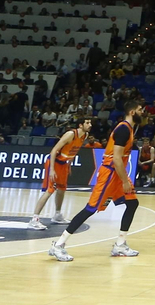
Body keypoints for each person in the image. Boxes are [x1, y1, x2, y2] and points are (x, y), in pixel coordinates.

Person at [48, 100, 144, 261]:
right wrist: (125, 181)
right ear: (132, 112)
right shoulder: (123, 130)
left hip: (118, 174)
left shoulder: (129, 128)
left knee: (132, 203)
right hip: (111, 174)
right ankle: (58, 245)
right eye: (140, 110)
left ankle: (120, 244)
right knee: (90, 209)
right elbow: (117, 159)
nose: (143, 112)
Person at [29, 117, 92, 229]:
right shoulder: (70, 134)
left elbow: (74, 149)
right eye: (87, 123)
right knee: (49, 191)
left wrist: (69, 164)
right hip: (54, 162)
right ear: (80, 125)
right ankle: (34, 219)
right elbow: (54, 151)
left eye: (90, 122)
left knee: (62, 189)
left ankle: (57, 215)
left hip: (63, 164)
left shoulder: (84, 136)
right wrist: (52, 169)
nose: (90, 124)